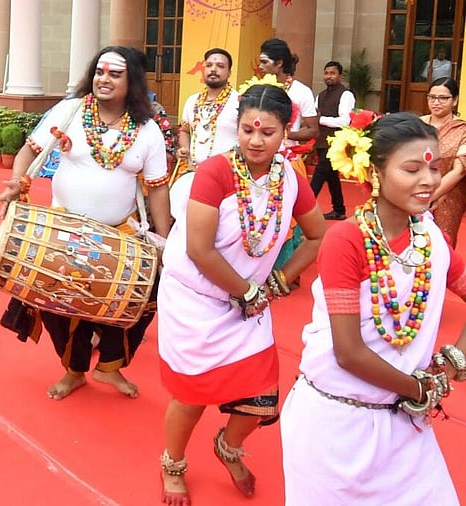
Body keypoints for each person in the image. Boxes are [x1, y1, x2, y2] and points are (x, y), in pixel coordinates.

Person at [281, 112, 466, 505]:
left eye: (435, 168)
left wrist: (454, 360)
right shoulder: (346, 241)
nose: (429, 180)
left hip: (405, 425)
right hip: (336, 428)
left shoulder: (430, 236)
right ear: (375, 172)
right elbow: (348, 352)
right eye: (412, 168)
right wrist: (421, 387)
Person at [156, 82, 325, 505]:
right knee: (193, 394)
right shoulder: (215, 171)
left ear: (286, 132)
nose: (255, 140)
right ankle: (172, 463)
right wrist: (248, 291)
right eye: (248, 130)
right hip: (196, 301)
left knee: (262, 395)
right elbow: (199, 248)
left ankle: (227, 447)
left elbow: (317, 236)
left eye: (267, 132)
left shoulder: (290, 179)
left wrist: (277, 283)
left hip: (250, 302)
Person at [0, 46, 172, 400]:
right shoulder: (70, 110)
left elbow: (158, 188)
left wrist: (164, 240)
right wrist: (18, 181)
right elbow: (29, 151)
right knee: (59, 303)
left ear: (131, 81)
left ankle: (110, 369)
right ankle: (73, 371)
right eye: (100, 72)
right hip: (64, 230)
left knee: (138, 302)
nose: (104, 79)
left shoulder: (147, 129)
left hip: (119, 233)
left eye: (114, 74)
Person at [176, 48, 238, 176]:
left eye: (220, 66)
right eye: (208, 65)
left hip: (226, 172)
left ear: (229, 73)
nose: (213, 69)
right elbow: (185, 130)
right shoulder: (192, 100)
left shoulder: (239, 102)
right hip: (194, 171)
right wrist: (185, 148)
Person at [258, 38, 318, 170]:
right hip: (258, 157)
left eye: (264, 62)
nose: (260, 67)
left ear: (279, 63)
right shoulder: (257, 89)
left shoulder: (301, 91)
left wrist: (284, 134)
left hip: (287, 160)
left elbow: (313, 130)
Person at [422, 78, 466, 248]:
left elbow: (459, 171)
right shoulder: (417, 123)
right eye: (432, 97)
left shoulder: (462, 129)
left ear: (454, 100)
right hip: (412, 191)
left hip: (448, 195)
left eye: (443, 98)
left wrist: (432, 196)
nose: (436, 102)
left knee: (442, 244)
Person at [312, 61, 355, 220]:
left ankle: (303, 207)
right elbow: (313, 117)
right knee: (331, 177)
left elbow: (345, 121)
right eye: (326, 73)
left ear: (340, 76)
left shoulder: (346, 95)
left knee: (319, 174)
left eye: (332, 73)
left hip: (336, 143)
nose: (328, 76)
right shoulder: (321, 95)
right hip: (321, 141)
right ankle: (339, 210)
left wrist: (321, 119)